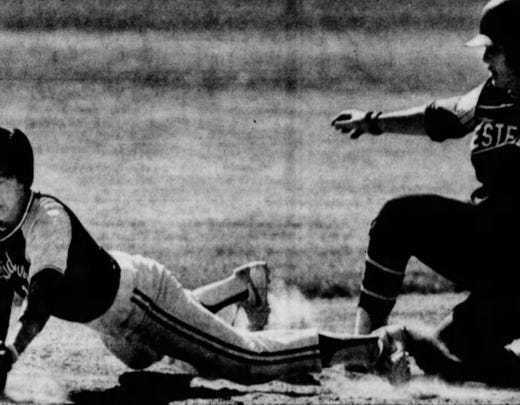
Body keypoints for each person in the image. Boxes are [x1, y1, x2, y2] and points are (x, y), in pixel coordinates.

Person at [0, 127, 405, 391]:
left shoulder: (47, 221)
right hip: (114, 322)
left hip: (141, 299)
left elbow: (40, 301)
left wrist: (12, 353)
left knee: (247, 362)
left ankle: (373, 347)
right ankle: (241, 287)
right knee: (142, 357)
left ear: (23, 180)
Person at [331, 0, 520, 387]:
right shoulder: (490, 96)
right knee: (441, 353)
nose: (485, 58)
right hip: (493, 248)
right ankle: (363, 349)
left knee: (452, 355)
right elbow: (440, 118)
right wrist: (373, 122)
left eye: (494, 49)